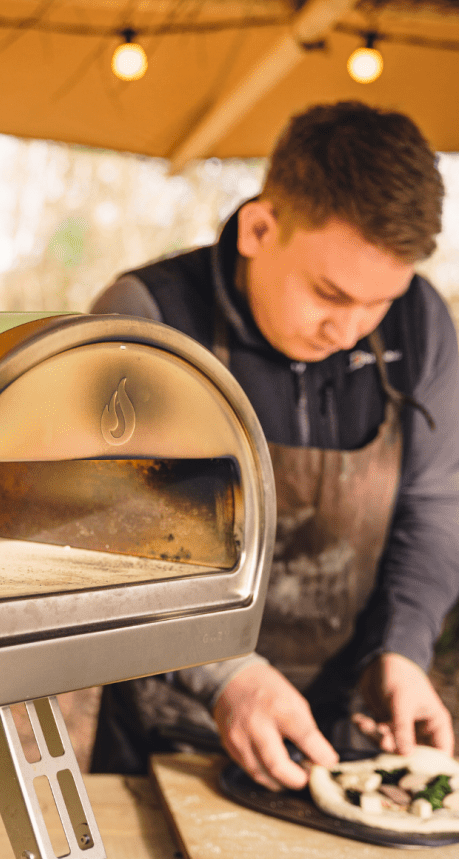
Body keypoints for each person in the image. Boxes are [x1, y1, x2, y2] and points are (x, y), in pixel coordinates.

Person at [89, 101, 459, 791]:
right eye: (329, 292)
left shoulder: (424, 324)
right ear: (261, 226)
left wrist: (403, 648)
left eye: (377, 303)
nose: (348, 330)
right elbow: (114, 535)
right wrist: (225, 673)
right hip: (165, 733)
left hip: (351, 733)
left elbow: (436, 506)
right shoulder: (148, 317)